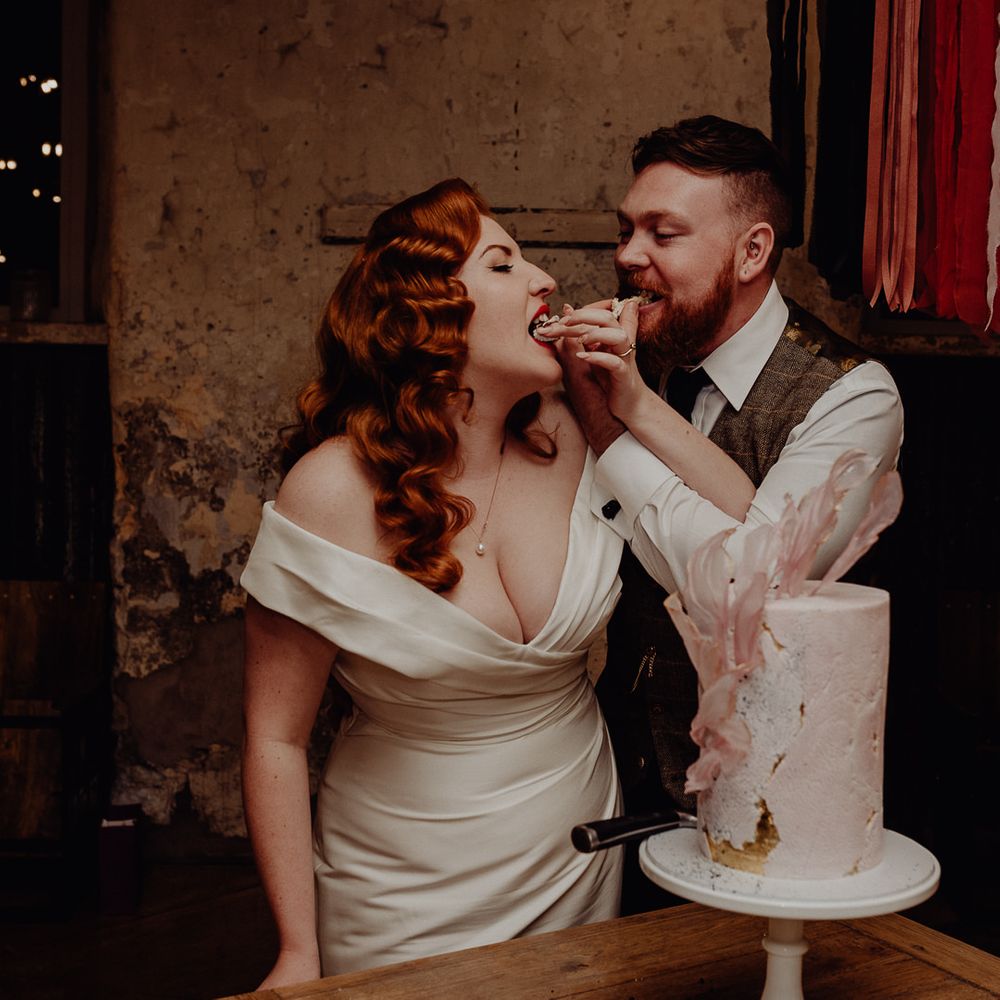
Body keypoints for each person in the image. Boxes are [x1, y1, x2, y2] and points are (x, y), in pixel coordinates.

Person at [239, 178, 754, 984]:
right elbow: (276, 737)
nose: (546, 280)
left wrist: (634, 403)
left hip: (575, 863)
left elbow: (750, 535)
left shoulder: (574, 435)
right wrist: (297, 951)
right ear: (428, 312)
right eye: (505, 263)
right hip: (397, 883)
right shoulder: (330, 488)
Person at [551, 115, 904, 913]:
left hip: (780, 806)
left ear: (752, 251)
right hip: (619, 779)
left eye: (662, 233)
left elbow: (752, 583)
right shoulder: (646, 348)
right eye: (627, 229)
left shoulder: (853, 396)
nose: (627, 256)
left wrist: (614, 425)